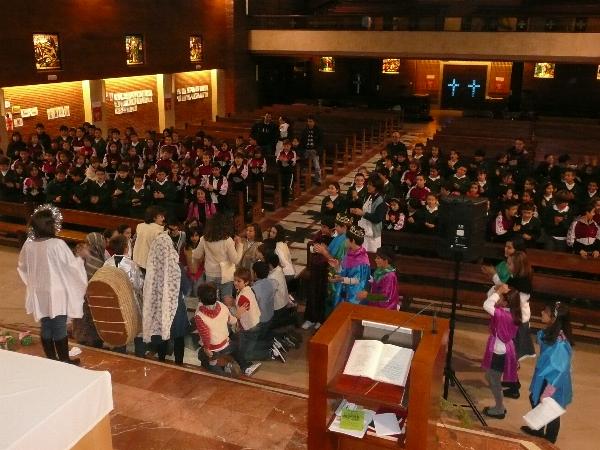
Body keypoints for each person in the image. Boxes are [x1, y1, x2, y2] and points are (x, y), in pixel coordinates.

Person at [17, 205, 87, 364]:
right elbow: (71, 267)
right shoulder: (57, 244)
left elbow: (22, 267)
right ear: (50, 226)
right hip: (56, 291)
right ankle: (64, 360)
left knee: (46, 323)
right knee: (59, 325)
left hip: (39, 290)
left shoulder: (29, 244)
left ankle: (51, 359)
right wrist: (80, 258)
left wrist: (33, 282)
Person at [521, 302, 573, 444]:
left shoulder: (560, 344)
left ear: (553, 319)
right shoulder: (551, 333)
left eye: (545, 311)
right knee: (535, 399)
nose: (542, 312)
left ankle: (550, 440)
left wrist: (549, 391)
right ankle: (538, 429)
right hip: (545, 375)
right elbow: (544, 342)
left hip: (553, 381)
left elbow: (561, 370)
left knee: (551, 408)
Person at [142, 231, 187, 364]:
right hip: (176, 307)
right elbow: (186, 287)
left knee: (161, 335)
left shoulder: (152, 267)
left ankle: (161, 361)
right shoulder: (177, 266)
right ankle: (179, 363)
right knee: (178, 337)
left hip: (159, 307)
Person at [481, 285, 522, 419]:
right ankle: (499, 406)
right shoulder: (511, 313)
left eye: (500, 297)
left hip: (500, 352)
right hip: (503, 349)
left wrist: (499, 291)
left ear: (505, 302)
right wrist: (497, 291)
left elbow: (487, 304)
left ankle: (499, 408)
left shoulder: (503, 315)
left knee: (494, 380)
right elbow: (490, 300)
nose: (497, 298)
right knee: (491, 377)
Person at [104, 234, 146, 357]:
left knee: (120, 330)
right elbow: (138, 285)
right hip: (131, 302)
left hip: (114, 303)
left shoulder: (107, 263)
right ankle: (140, 356)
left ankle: (119, 356)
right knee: (138, 330)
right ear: (126, 248)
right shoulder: (132, 265)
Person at [192, 213, 243, 299]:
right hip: (226, 274)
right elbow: (235, 260)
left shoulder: (204, 238)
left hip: (210, 273)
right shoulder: (227, 240)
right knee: (227, 299)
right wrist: (239, 245)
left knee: (212, 299)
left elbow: (197, 255)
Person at [71, 232, 106, 348]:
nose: (86, 246)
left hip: (85, 298)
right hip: (89, 299)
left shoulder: (94, 260)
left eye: (88, 244)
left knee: (84, 324)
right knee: (89, 323)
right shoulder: (99, 262)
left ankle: (84, 341)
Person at [195, 283, 238, 374]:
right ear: (216, 296)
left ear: (200, 299)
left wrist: (207, 349)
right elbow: (232, 321)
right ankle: (226, 365)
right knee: (210, 356)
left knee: (201, 356)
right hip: (226, 342)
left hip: (213, 347)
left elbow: (206, 335)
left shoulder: (199, 316)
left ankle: (221, 374)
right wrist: (238, 316)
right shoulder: (221, 305)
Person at [303, 217, 335, 330]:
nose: (322, 229)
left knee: (322, 294)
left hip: (326, 270)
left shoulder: (335, 240)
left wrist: (325, 251)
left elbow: (332, 255)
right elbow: (312, 248)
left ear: (332, 229)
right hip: (315, 268)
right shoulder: (319, 235)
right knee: (312, 293)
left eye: (325, 227)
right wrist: (318, 249)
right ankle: (310, 318)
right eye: (321, 226)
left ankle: (320, 319)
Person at [329, 225, 371, 310]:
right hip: (344, 290)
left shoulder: (362, 260)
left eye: (347, 238)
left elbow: (357, 280)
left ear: (353, 241)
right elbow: (344, 271)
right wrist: (337, 267)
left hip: (354, 295)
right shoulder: (349, 253)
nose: (345, 240)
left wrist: (341, 279)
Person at [231, 268, 263, 376]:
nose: (235, 283)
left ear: (246, 282)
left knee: (243, 349)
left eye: (238, 281)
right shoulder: (248, 289)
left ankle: (247, 364)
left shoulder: (243, 297)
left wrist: (233, 314)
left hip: (249, 326)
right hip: (255, 322)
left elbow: (238, 315)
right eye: (234, 280)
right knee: (250, 345)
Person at [350, 173, 386, 252]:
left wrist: (362, 213)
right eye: (368, 184)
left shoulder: (380, 200)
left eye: (370, 185)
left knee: (370, 255)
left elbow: (377, 218)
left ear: (376, 186)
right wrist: (357, 211)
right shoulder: (370, 195)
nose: (367, 186)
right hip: (364, 230)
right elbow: (366, 208)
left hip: (372, 234)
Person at [132, 206, 166, 272]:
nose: (164, 218)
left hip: (137, 261)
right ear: (154, 218)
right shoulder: (158, 231)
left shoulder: (140, 226)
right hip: (149, 265)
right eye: (161, 217)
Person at [299, 115, 324, 184]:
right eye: (308, 121)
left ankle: (318, 180)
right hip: (306, 150)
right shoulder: (305, 130)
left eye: (310, 121)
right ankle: (300, 177)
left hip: (314, 150)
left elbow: (321, 143)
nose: (309, 123)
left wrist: (317, 150)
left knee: (316, 165)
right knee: (299, 161)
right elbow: (301, 142)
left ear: (314, 122)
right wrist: (301, 150)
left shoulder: (318, 130)